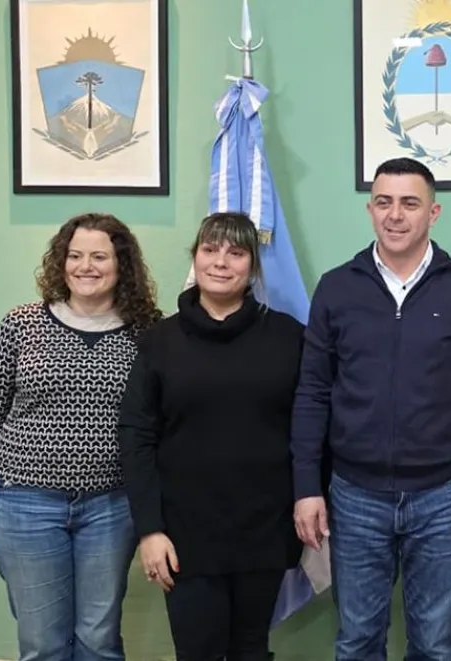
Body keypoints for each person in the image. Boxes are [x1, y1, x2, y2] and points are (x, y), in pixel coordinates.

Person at [291, 157, 451, 661]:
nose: (395, 215)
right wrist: (306, 487)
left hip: (443, 497)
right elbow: (313, 392)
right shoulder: (337, 288)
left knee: (433, 644)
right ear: (370, 210)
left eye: (410, 203)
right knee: (357, 641)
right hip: (354, 495)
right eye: (384, 202)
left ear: (433, 213)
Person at [0, 213, 162, 661]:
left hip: (112, 507)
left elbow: (158, 426)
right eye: (74, 256)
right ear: (60, 262)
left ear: (121, 265)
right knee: (43, 643)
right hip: (23, 506)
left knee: (99, 638)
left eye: (99, 256)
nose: (85, 266)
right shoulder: (20, 325)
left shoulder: (148, 332)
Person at [117, 212, 305, 661]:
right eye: (210, 249)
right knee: (197, 651)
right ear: (195, 258)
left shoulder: (289, 337)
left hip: (264, 529)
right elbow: (136, 435)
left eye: (236, 252)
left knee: (250, 649)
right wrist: (150, 530)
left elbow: (311, 428)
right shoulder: (159, 341)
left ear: (253, 266)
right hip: (184, 535)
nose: (221, 262)